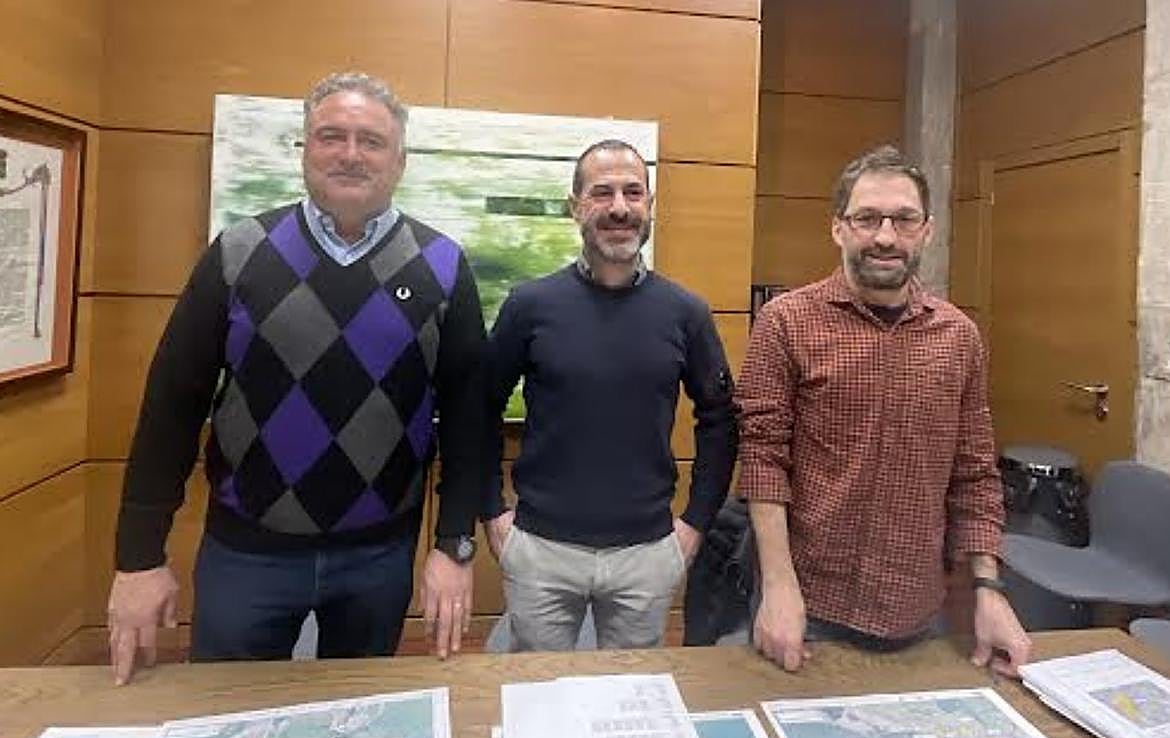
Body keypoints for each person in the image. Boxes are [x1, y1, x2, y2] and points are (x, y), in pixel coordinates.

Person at [106, 72, 487, 684]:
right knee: (223, 727)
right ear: (305, 150)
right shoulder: (239, 252)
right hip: (246, 556)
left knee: (356, 725)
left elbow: (470, 421)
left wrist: (453, 545)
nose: (350, 154)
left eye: (371, 141)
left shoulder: (442, 266)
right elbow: (172, 406)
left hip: (379, 556)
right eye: (331, 136)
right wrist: (139, 557)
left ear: (400, 160)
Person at [736, 144, 1031, 675]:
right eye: (867, 218)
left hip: (917, 608)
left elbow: (975, 473)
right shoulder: (786, 323)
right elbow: (762, 459)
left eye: (903, 219)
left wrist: (989, 589)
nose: (886, 237)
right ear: (838, 228)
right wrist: (778, 587)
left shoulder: (959, 337)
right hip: (807, 604)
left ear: (927, 230)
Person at [482, 139, 738, 651]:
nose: (619, 207)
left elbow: (720, 419)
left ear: (649, 206)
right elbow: (478, 409)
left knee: (628, 704)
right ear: (576, 205)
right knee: (539, 698)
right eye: (602, 192)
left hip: (646, 555)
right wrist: (493, 514)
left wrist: (694, 526)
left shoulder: (686, 312)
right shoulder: (529, 305)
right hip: (540, 551)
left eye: (632, 193)